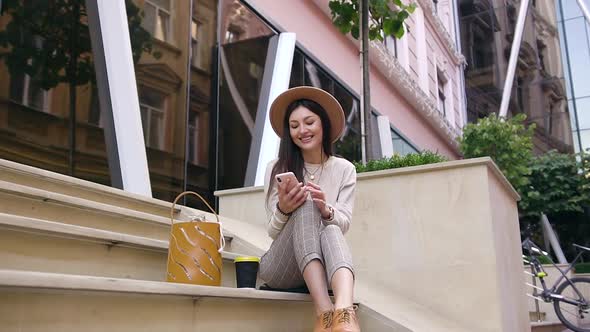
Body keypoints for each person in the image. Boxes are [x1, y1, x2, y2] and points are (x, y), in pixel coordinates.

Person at [259, 86, 360, 332]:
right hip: (280, 267)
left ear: (323, 124)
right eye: (294, 126)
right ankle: (324, 310)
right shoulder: (277, 168)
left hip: (323, 268)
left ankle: (343, 312)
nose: (302, 131)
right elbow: (272, 232)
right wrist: (284, 209)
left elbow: (344, 222)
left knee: (332, 228)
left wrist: (326, 210)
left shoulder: (345, 169)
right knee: (305, 204)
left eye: (309, 122)